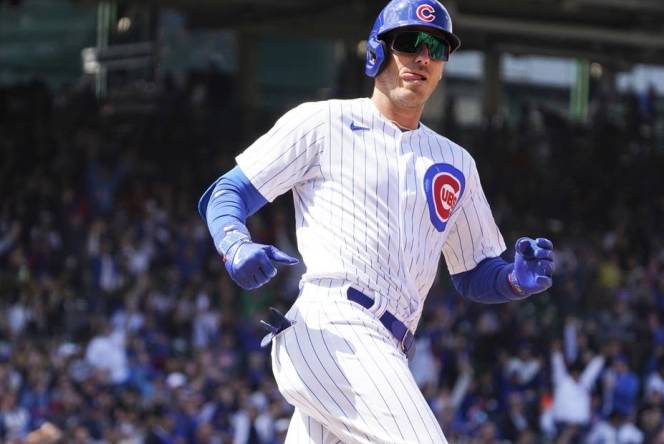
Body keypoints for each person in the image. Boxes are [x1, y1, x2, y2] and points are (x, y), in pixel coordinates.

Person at [197, 0, 555, 441]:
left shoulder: (455, 161)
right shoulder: (324, 122)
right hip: (334, 326)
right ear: (377, 52)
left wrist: (515, 280)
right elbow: (227, 192)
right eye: (409, 43)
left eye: (437, 48)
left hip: (389, 348)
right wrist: (235, 244)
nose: (423, 57)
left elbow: (473, 273)